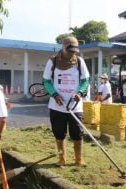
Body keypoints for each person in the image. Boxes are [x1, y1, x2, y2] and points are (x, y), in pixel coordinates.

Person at [43, 36, 90, 167]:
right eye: (70, 50)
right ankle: (61, 158)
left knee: (77, 133)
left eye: (74, 51)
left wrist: (80, 92)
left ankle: (78, 159)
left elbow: (85, 80)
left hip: (75, 106)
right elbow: (46, 81)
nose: (72, 53)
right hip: (57, 105)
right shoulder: (52, 62)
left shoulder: (80, 62)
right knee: (59, 133)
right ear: (63, 47)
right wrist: (54, 94)